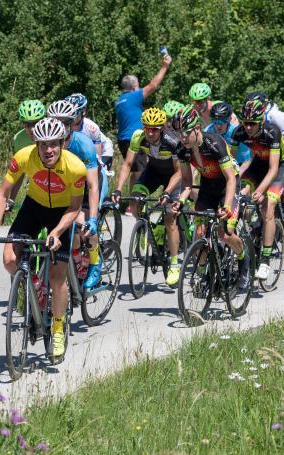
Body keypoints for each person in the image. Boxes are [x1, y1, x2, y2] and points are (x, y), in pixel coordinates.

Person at [0, 117, 86, 360]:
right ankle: (33, 287)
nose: (48, 150)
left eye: (53, 144)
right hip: (34, 206)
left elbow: (74, 208)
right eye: (43, 145)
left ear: (62, 143)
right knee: (9, 259)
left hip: (62, 214)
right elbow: (2, 193)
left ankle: (58, 327)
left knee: (58, 275)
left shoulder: (76, 167)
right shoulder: (23, 158)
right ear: (36, 144)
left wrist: (57, 232)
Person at [170, 105, 250, 290]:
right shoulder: (183, 149)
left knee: (226, 233)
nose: (182, 137)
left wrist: (227, 207)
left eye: (186, 132)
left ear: (197, 128)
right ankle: (204, 274)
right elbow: (188, 183)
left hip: (227, 186)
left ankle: (243, 259)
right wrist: (180, 200)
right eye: (179, 133)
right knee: (199, 233)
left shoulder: (214, 143)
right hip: (208, 187)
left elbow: (231, 179)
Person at [112, 108, 183, 286]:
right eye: (147, 128)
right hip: (153, 172)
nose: (150, 132)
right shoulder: (138, 136)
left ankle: (174, 264)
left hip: (173, 177)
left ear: (162, 128)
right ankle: (145, 224)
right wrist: (118, 189)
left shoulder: (172, 141)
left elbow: (179, 172)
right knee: (134, 200)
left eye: (154, 129)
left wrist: (167, 192)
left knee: (170, 219)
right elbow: (128, 164)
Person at [47, 100, 104, 289]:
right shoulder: (48, 144)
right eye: (55, 121)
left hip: (89, 185)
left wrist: (94, 219)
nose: (60, 126)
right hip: (65, 187)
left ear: (72, 123)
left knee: (84, 225)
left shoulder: (83, 144)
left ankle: (95, 263)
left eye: (64, 122)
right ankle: (77, 258)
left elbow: (93, 185)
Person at [231, 99, 284, 281]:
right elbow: (231, 163)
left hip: (278, 167)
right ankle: (254, 227)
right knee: (239, 195)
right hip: (257, 166)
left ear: (261, 121)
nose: (247, 127)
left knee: (268, 206)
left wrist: (261, 190)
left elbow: (273, 169)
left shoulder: (272, 132)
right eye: (245, 123)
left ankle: (265, 259)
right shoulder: (239, 132)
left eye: (252, 124)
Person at [115, 53, 172, 189]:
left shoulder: (119, 101)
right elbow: (153, 85)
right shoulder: (134, 96)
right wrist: (165, 66)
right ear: (135, 87)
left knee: (134, 170)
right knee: (140, 171)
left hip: (122, 139)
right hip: (134, 137)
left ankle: (131, 200)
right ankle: (134, 202)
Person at [204, 101, 252, 173]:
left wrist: (239, 175)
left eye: (222, 122)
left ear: (229, 120)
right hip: (221, 165)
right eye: (215, 121)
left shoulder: (238, 133)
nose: (218, 125)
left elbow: (248, 160)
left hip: (241, 164)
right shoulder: (208, 131)